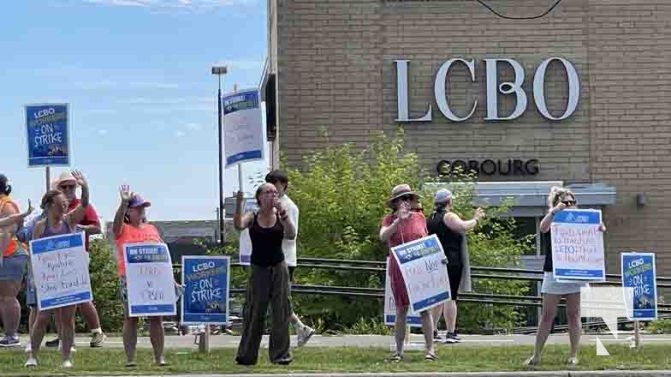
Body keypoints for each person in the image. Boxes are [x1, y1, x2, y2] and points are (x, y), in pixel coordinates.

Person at [525, 186, 606, 367]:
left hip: (574, 273)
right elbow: (543, 227)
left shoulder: (580, 221)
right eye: (565, 202)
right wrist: (555, 210)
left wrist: (598, 228)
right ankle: (536, 354)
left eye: (572, 202)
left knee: (574, 314)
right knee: (547, 315)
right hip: (554, 273)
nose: (569, 205)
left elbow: (591, 238)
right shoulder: (553, 219)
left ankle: (573, 353)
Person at [26, 170, 90, 368]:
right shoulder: (39, 226)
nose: (64, 207)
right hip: (47, 279)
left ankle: (66, 358)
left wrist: (85, 186)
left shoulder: (69, 221)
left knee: (67, 319)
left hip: (68, 279)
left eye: (65, 205)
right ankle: (33, 356)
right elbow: (34, 254)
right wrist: (35, 277)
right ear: (49, 206)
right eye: (60, 204)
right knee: (43, 317)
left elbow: (85, 205)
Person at [234, 183, 296, 366]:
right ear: (260, 197)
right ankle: (247, 355)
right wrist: (238, 204)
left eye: (275, 193)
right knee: (255, 311)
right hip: (258, 268)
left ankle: (281, 355)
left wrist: (283, 212)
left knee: (280, 311)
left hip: (278, 267)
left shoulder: (280, 215)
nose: (273, 195)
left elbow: (291, 234)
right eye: (268, 192)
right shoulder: (253, 216)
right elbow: (238, 225)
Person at [43, 171, 106, 350]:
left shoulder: (81, 205)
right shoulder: (54, 207)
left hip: (78, 254)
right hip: (57, 257)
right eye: (64, 186)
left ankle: (97, 331)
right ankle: (64, 336)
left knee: (80, 295)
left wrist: (79, 227)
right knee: (58, 296)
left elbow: (97, 228)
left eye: (71, 186)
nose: (68, 189)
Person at [112, 185, 169, 367]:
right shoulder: (122, 229)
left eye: (143, 207)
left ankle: (159, 357)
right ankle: (130, 359)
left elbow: (162, 254)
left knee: (156, 318)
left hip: (153, 279)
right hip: (129, 279)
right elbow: (115, 226)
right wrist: (123, 203)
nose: (141, 210)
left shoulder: (152, 229)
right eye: (137, 207)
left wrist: (170, 279)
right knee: (131, 318)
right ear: (129, 211)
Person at [379, 184, 436, 362]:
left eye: (408, 198)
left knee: (425, 309)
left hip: (419, 267)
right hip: (399, 269)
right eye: (402, 199)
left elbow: (427, 240)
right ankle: (398, 350)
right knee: (401, 309)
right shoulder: (389, 219)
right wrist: (398, 221)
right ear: (395, 203)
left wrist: (437, 258)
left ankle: (430, 349)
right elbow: (383, 237)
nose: (406, 202)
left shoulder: (420, 217)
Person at [265, 170, 315, 346]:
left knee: (279, 299)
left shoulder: (289, 207)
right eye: (270, 186)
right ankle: (300, 329)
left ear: (283, 185)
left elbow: (291, 234)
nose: (273, 189)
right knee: (276, 299)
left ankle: (295, 331)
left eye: (276, 185)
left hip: (284, 259)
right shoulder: (269, 207)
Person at [427, 189, 482, 344]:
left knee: (438, 297)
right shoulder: (448, 216)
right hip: (451, 260)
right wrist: (476, 219)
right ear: (449, 201)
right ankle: (451, 332)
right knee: (451, 297)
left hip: (435, 259)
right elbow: (463, 226)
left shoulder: (431, 217)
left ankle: (433, 330)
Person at [0, 174, 32, 347]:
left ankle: (11, 335)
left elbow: (11, 229)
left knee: (8, 296)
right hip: (5, 254)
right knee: (3, 297)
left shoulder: (7, 204)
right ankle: (8, 334)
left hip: (10, 254)